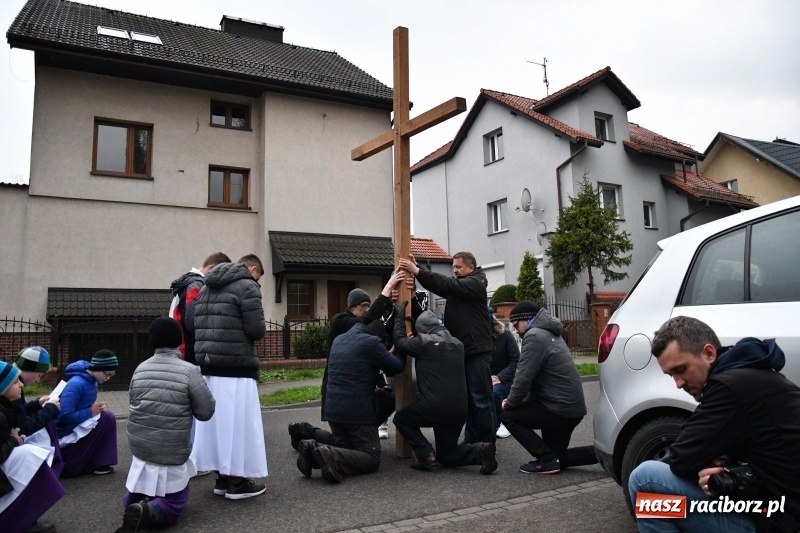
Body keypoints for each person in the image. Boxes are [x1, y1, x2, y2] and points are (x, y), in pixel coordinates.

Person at [628, 316, 800, 533]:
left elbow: (681, 458)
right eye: (671, 375)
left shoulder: (728, 388)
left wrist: (704, 462)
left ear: (709, 353)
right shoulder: (759, 375)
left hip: (778, 523)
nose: (678, 383)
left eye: (681, 369)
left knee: (645, 480)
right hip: (778, 510)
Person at [114, 317, 215, 533]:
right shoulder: (190, 371)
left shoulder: (140, 369)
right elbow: (206, 412)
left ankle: (134, 504)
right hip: (172, 449)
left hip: (140, 447)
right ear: (180, 341)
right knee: (176, 500)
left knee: (140, 485)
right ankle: (151, 512)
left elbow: (133, 402)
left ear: (152, 341)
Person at [288, 270, 404, 449]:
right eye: (363, 305)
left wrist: (392, 304)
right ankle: (306, 432)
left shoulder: (362, 328)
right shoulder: (341, 321)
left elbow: (379, 327)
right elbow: (369, 319)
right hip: (341, 385)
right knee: (345, 443)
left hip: (356, 384)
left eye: (369, 305)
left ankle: (306, 431)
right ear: (352, 307)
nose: (366, 309)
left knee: (348, 439)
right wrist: (388, 287)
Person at [190, 254, 268, 500]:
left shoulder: (206, 287)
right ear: (251, 269)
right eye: (258, 277)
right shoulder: (247, 286)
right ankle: (237, 483)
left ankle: (222, 478)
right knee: (239, 426)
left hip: (209, 367)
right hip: (236, 367)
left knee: (218, 426)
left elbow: (194, 324)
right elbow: (256, 329)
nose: (257, 282)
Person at [398, 251, 495, 445]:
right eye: (453, 267)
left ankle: (486, 445)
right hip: (464, 351)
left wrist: (418, 271)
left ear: (471, 268)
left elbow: (447, 284)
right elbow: (439, 285)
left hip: (477, 352)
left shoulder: (476, 284)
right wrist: (418, 273)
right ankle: (473, 444)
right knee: (469, 400)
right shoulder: (460, 287)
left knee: (480, 400)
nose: (455, 270)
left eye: (458, 267)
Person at [295, 319, 405, 483]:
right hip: (356, 413)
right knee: (371, 457)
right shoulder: (372, 342)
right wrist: (402, 345)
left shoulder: (339, 339)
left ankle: (314, 449)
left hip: (332, 411)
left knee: (347, 449)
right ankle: (330, 454)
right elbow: (397, 367)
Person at [391, 307, 498, 474]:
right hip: (458, 411)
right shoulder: (458, 344)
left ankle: (425, 454)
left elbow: (399, 341)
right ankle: (480, 451)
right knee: (447, 455)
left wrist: (399, 316)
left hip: (431, 407)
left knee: (401, 419)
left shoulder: (422, 343)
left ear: (424, 332)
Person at [500, 301, 596, 475]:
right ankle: (602, 454)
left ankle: (546, 460)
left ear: (526, 320)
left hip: (557, 408)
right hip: (571, 408)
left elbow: (523, 378)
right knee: (558, 457)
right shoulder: (550, 332)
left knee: (507, 416)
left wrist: (510, 403)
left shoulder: (534, 336)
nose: (516, 331)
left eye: (516, 325)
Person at [0, 361, 65, 533]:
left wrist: (36, 404)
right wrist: (14, 441)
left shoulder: (6, 403)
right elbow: (25, 426)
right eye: (15, 382)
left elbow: (20, 416)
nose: (21, 384)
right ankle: (21, 522)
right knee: (31, 459)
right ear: (3, 388)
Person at [56, 349, 119, 477]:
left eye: (112, 375)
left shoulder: (92, 380)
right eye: (107, 374)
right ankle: (77, 462)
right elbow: (65, 415)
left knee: (108, 417)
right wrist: (90, 411)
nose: (108, 378)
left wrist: (92, 409)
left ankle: (101, 463)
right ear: (97, 368)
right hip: (64, 431)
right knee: (106, 417)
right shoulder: (76, 384)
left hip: (76, 423)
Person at [169, 252, 230, 365]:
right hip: (188, 348)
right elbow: (193, 322)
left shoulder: (188, 281)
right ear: (212, 268)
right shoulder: (196, 285)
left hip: (182, 345)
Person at [12, 347, 63, 476]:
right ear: (30, 369)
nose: (38, 380)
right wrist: (50, 409)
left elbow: (18, 412)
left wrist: (36, 404)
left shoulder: (12, 382)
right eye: (39, 375)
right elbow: (25, 426)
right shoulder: (13, 388)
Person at [489, 309, 519, 439]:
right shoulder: (479, 338)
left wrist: (500, 377)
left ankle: (504, 421)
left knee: (495, 392)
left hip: (506, 379)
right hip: (487, 377)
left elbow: (516, 360)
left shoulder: (505, 335)